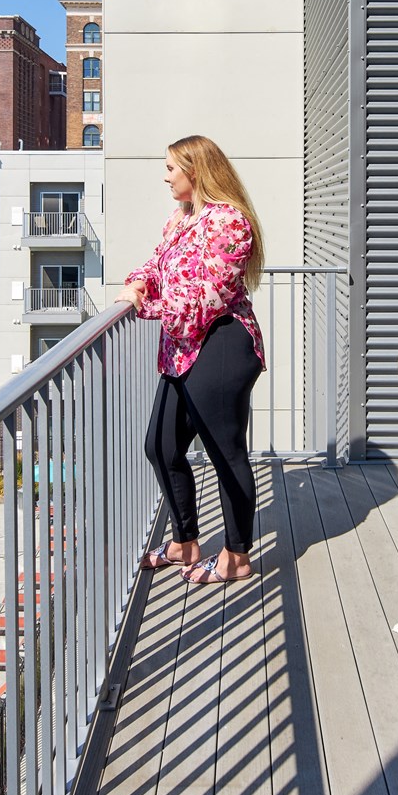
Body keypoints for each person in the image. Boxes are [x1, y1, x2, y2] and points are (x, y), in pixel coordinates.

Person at [117, 134, 266, 585]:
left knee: (225, 454)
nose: (165, 177)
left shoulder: (231, 222)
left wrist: (145, 306)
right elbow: (157, 265)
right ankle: (185, 542)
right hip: (181, 349)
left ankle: (237, 557)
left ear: (195, 171)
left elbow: (207, 296)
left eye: (170, 169)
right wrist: (139, 282)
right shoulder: (180, 219)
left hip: (222, 343)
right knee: (160, 446)